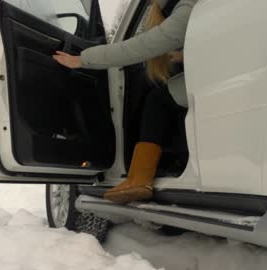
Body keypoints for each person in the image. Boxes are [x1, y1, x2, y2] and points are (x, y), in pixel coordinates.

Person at [53, 0, 198, 204]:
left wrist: (82, 59)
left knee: (157, 100)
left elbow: (140, 47)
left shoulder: (187, 6)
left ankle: (139, 179)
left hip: (221, 79)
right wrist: (186, 54)